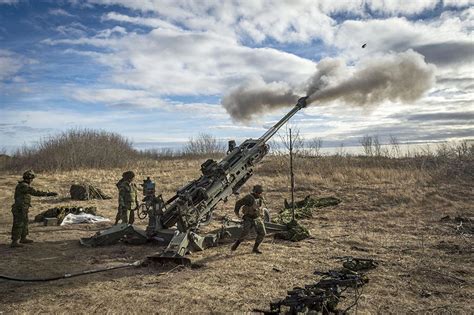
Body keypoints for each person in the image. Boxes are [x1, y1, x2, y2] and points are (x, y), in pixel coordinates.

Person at [11, 170, 58, 248]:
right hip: (19, 208)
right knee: (19, 224)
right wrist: (48, 194)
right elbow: (35, 192)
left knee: (25, 223)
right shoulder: (23, 186)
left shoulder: (24, 185)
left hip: (23, 208)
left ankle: (23, 238)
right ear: (29, 178)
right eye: (31, 179)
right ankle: (15, 241)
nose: (32, 180)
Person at [231, 184, 267, 254]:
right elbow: (238, 203)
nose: (260, 194)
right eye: (259, 192)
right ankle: (236, 244)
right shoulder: (249, 198)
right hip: (248, 218)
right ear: (255, 192)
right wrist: (237, 213)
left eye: (261, 192)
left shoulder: (260, 198)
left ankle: (255, 248)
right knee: (245, 233)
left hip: (257, 218)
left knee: (262, 233)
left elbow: (259, 208)